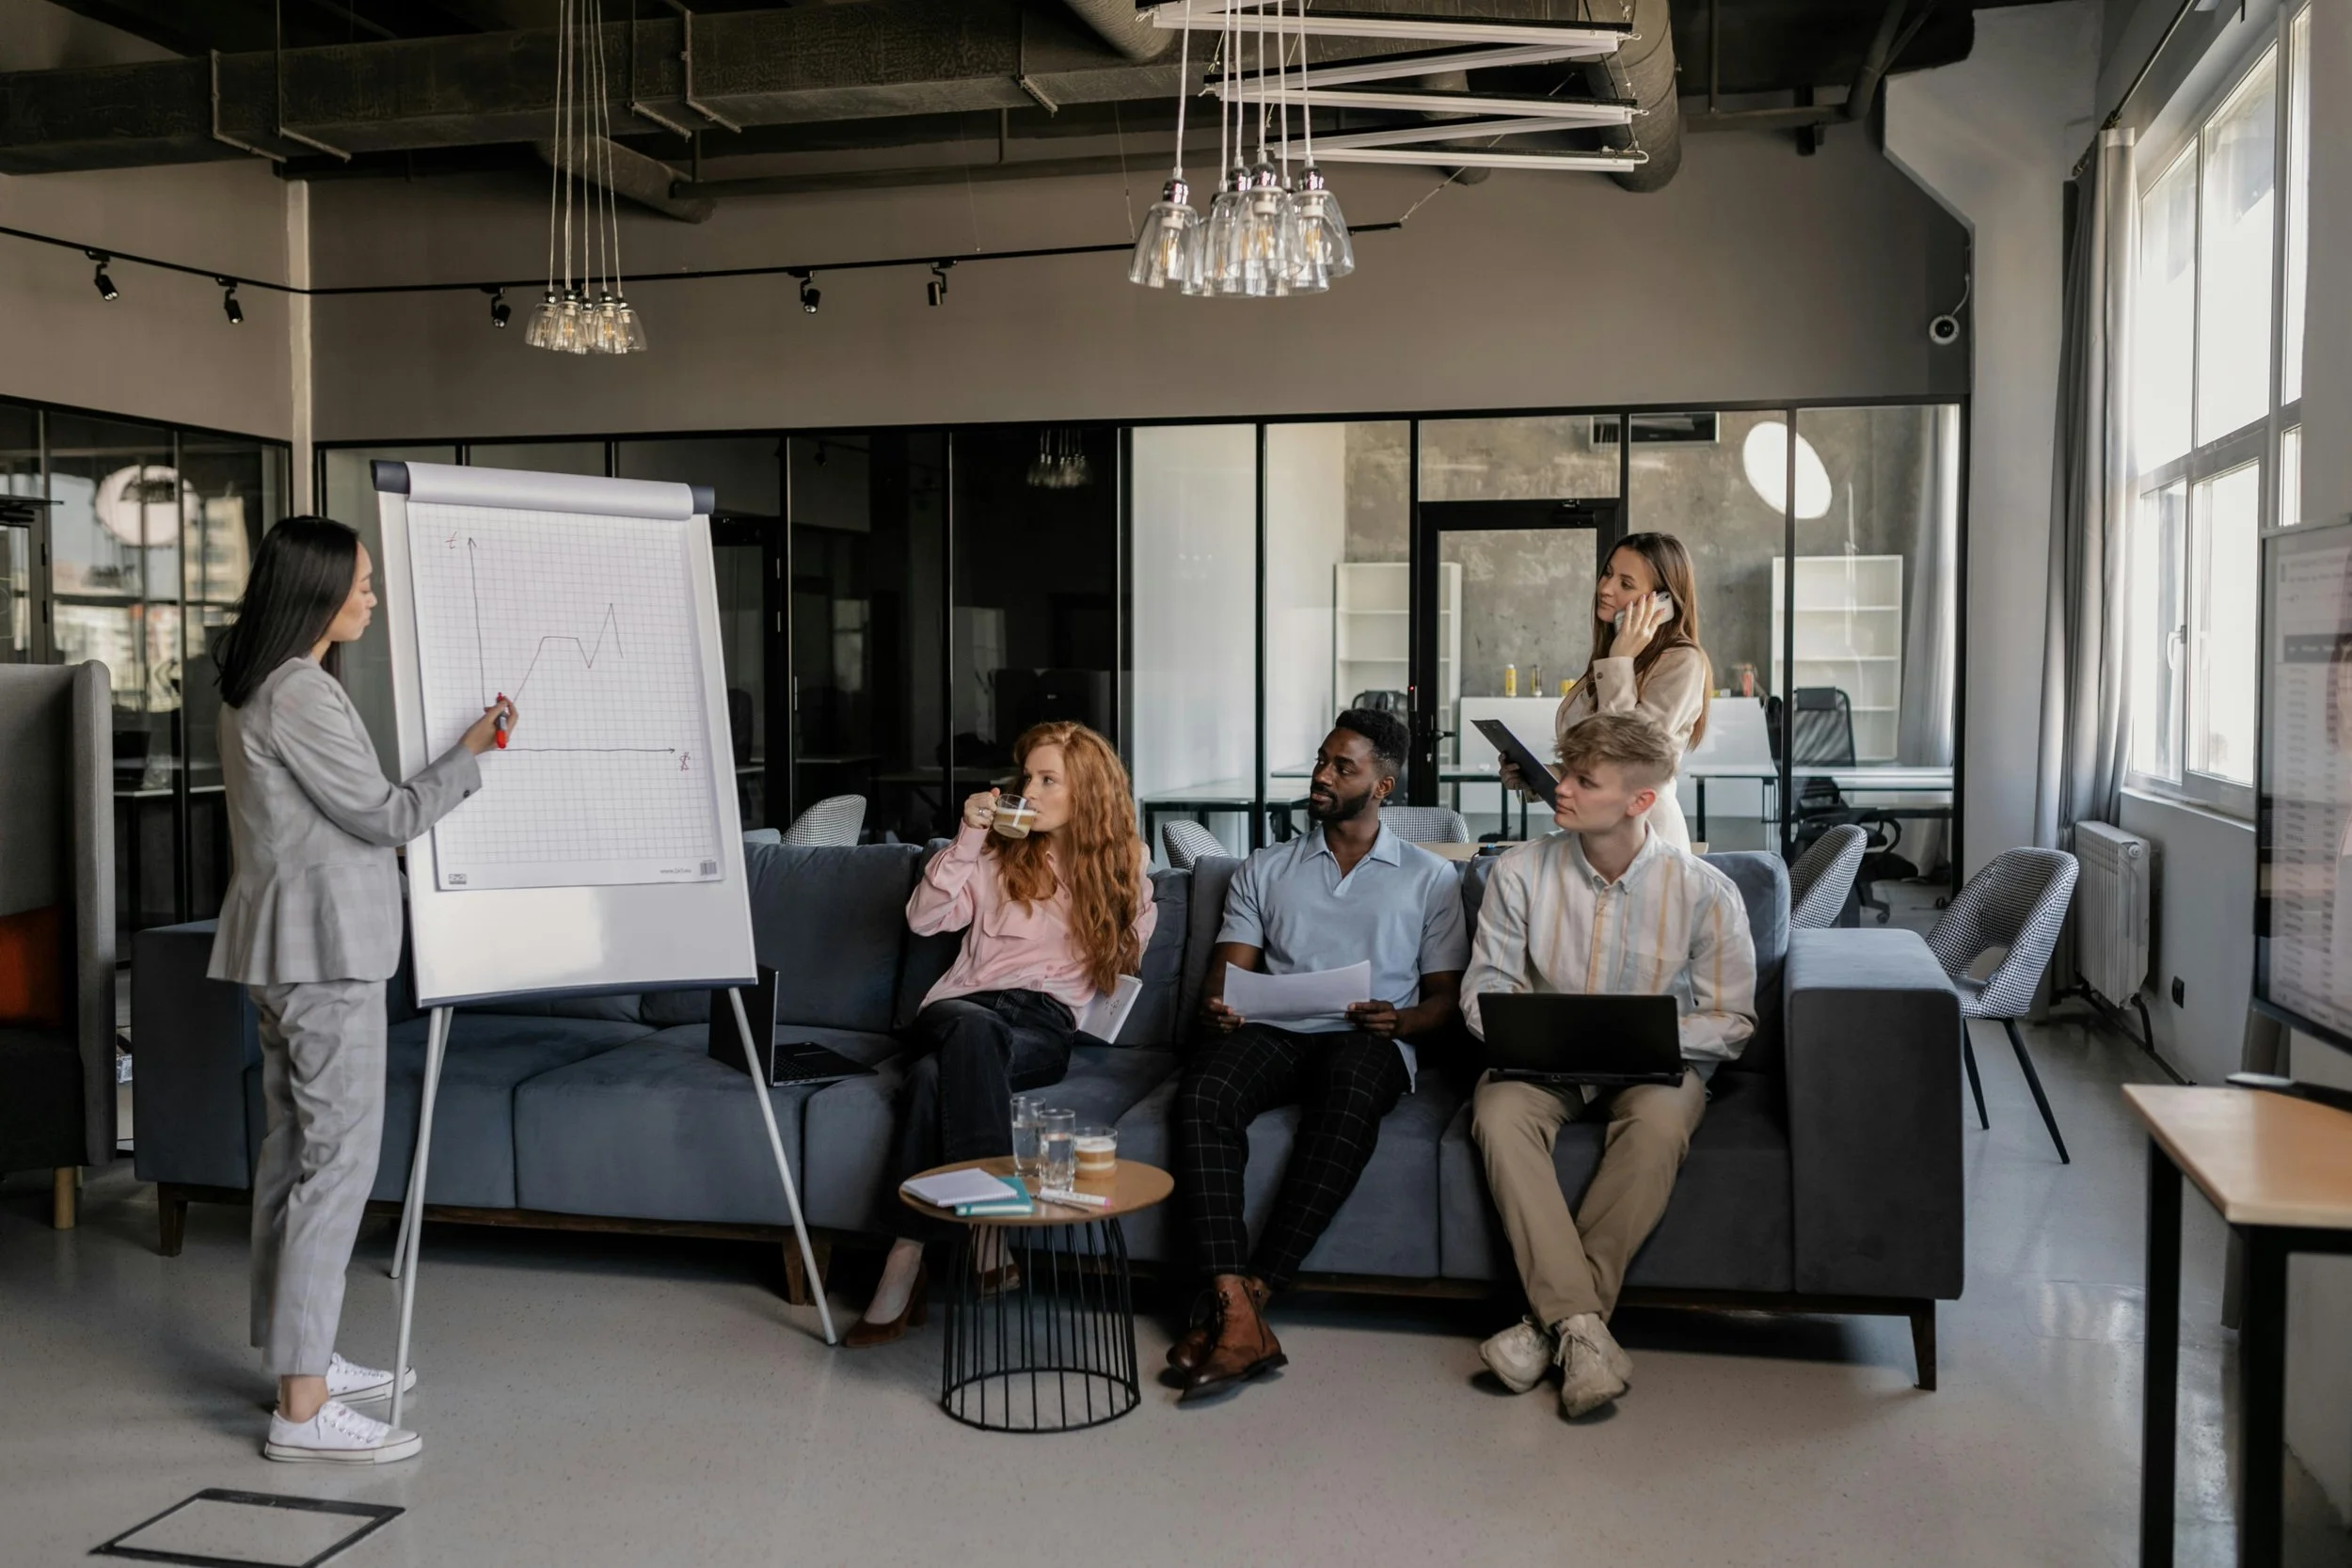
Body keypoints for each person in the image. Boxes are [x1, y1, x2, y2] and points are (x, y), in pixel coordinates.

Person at [208, 516, 516, 1465]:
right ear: (318, 591)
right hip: (324, 956)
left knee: (298, 1156)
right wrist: (474, 754)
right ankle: (300, 1410)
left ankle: (303, 1359)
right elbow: (384, 815)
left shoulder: (254, 678)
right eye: (362, 583)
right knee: (334, 1167)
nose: (372, 597)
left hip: (282, 949)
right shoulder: (299, 690)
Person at [1463, 711, 1756, 1418]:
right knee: (1498, 1114)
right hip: (1542, 1065)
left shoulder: (1705, 891)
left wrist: (1651, 1037)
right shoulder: (1517, 871)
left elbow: (1734, 1020)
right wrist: (1538, 1032)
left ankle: (1549, 1328)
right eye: (1564, 772)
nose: (1558, 788)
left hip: (1657, 1068)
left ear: (1639, 801)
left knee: (1659, 1127)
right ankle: (1585, 1333)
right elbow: (1483, 992)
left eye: (1582, 780)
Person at [1170, 707, 1470, 1401]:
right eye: (1321, 760)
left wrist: (1400, 1020)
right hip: (1275, 1029)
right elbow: (1228, 970)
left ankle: (1253, 1296)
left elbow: (1445, 1001)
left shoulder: (1430, 878)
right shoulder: (1265, 867)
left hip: (1372, 1039)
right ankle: (1233, 1304)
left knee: (1348, 1094)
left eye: (1344, 767)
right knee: (1203, 1092)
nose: (1322, 775)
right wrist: (1221, 1002)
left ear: (1384, 786)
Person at [848, 721, 1155, 1347]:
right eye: (1028, 778)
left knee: (935, 1076)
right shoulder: (991, 854)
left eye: (1049, 780)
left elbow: (1123, 967)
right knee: (971, 1030)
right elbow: (923, 918)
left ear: (1087, 793)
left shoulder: (1121, 866)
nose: (1031, 791)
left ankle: (905, 1257)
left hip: (1042, 1024)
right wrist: (968, 835)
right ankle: (989, 1232)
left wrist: (1120, 887)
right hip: (960, 1007)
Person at [1502, 531, 1713, 851]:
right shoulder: (1614, 657)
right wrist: (1541, 776)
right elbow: (1594, 759)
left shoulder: (1682, 662)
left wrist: (1620, 660)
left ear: (1662, 603)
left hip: (1646, 839)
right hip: (1596, 837)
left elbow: (1626, 756)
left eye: (1626, 584)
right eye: (1608, 573)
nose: (1605, 588)